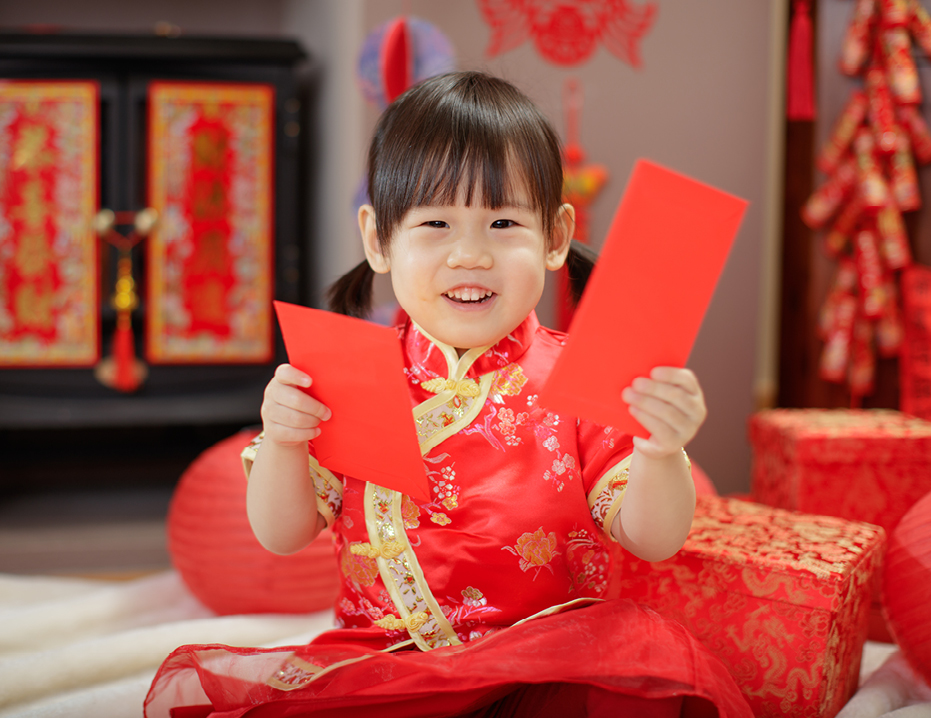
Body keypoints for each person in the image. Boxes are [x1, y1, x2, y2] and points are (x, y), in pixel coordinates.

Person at [145, 71, 752, 718]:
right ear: (378, 239)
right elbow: (282, 534)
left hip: (547, 669)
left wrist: (662, 449)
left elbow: (653, 538)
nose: (470, 254)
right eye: (435, 222)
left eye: (502, 222)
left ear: (554, 236)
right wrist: (285, 441)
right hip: (385, 667)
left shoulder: (585, 376)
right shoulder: (347, 374)